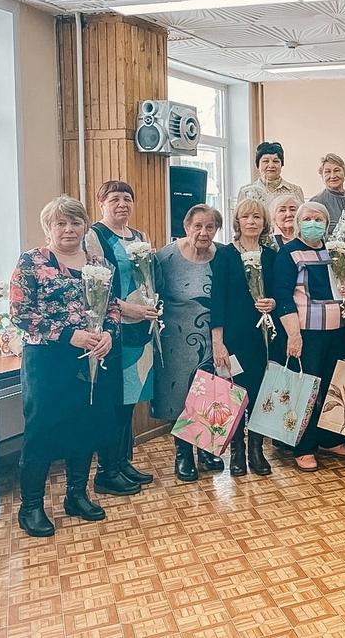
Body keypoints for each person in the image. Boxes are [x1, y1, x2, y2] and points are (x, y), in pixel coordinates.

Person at [10, 196, 120, 537]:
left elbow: (112, 307)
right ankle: (31, 506)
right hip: (46, 360)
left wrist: (109, 334)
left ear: (85, 226)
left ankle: (76, 495)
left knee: (84, 423)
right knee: (41, 429)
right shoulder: (32, 261)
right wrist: (70, 335)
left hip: (89, 357)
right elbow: (20, 314)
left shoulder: (98, 263)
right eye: (61, 223)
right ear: (49, 228)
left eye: (75, 222)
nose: (69, 229)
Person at [83, 181, 159, 498]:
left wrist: (150, 305)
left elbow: (147, 279)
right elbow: (95, 286)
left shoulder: (140, 236)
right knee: (113, 400)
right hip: (112, 329)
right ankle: (106, 471)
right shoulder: (94, 236)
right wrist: (128, 309)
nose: (122, 204)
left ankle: (123, 462)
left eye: (127, 198)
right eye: (114, 199)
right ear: (101, 203)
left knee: (130, 399)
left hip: (140, 329)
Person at [273, 202, 345, 471]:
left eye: (318, 218)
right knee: (305, 391)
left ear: (326, 223)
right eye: (307, 218)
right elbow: (283, 297)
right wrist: (293, 335)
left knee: (334, 387)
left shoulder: (334, 251)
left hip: (337, 332)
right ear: (298, 223)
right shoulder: (288, 253)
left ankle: (329, 439)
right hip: (307, 334)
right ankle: (304, 446)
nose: (313, 223)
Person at [154, 204, 222, 482]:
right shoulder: (165, 257)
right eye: (198, 226)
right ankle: (183, 454)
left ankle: (205, 450)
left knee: (209, 393)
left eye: (210, 227)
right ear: (186, 227)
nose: (203, 232)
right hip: (176, 337)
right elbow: (151, 294)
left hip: (212, 337)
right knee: (180, 394)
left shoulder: (222, 255)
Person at [211, 198, 276, 477]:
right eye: (246, 217)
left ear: (264, 223)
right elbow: (217, 300)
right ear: (237, 221)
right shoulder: (225, 255)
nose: (251, 221)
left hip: (263, 337)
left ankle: (256, 450)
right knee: (235, 392)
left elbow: (279, 293)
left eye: (257, 217)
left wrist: (272, 303)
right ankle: (237, 451)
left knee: (260, 392)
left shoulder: (271, 255)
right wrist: (218, 342)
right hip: (233, 337)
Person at [237, 141, 304, 207]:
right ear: (258, 165)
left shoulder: (295, 191)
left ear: (281, 164)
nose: (271, 165)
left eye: (276, 161)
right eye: (266, 161)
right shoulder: (246, 192)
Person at [310, 153, 345, 236]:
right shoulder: (316, 203)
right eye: (327, 172)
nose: (333, 176)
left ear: (344, 172)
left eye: (337, 170)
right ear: (322, 176)